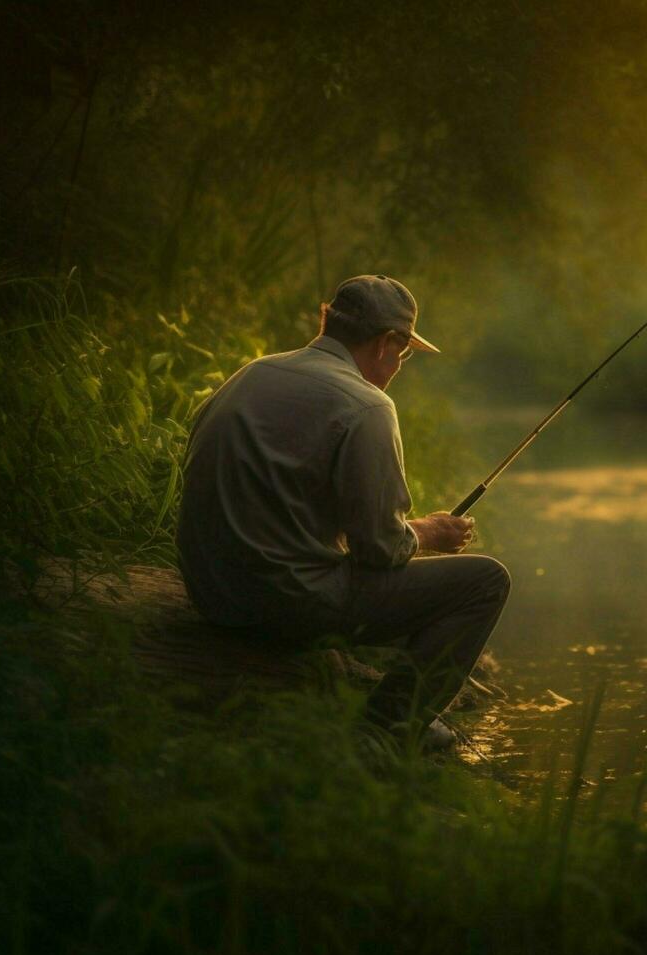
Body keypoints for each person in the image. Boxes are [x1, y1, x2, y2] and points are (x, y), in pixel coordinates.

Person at [177, 274, 511, 745]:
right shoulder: (368, 405)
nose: (399, 365)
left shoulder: (250, 374)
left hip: (209, 592)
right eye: (404, 352)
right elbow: (380, 550)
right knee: (485, 582)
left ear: (325, 321)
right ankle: (387, 728)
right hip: (281, 604)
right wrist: (429, 533)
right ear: (386, 343)